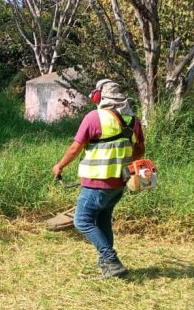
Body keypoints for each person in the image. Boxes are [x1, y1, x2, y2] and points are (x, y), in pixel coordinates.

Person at [51, 79, 145, 278]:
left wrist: (59, 166)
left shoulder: (94, 117)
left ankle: (111, 259)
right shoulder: (133, 121)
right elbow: (139, 151)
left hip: (97, 183)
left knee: (82, 221)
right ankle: (106, 265)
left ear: (100, 96)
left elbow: (76, 147)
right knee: (103, 220)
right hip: (119, 184)